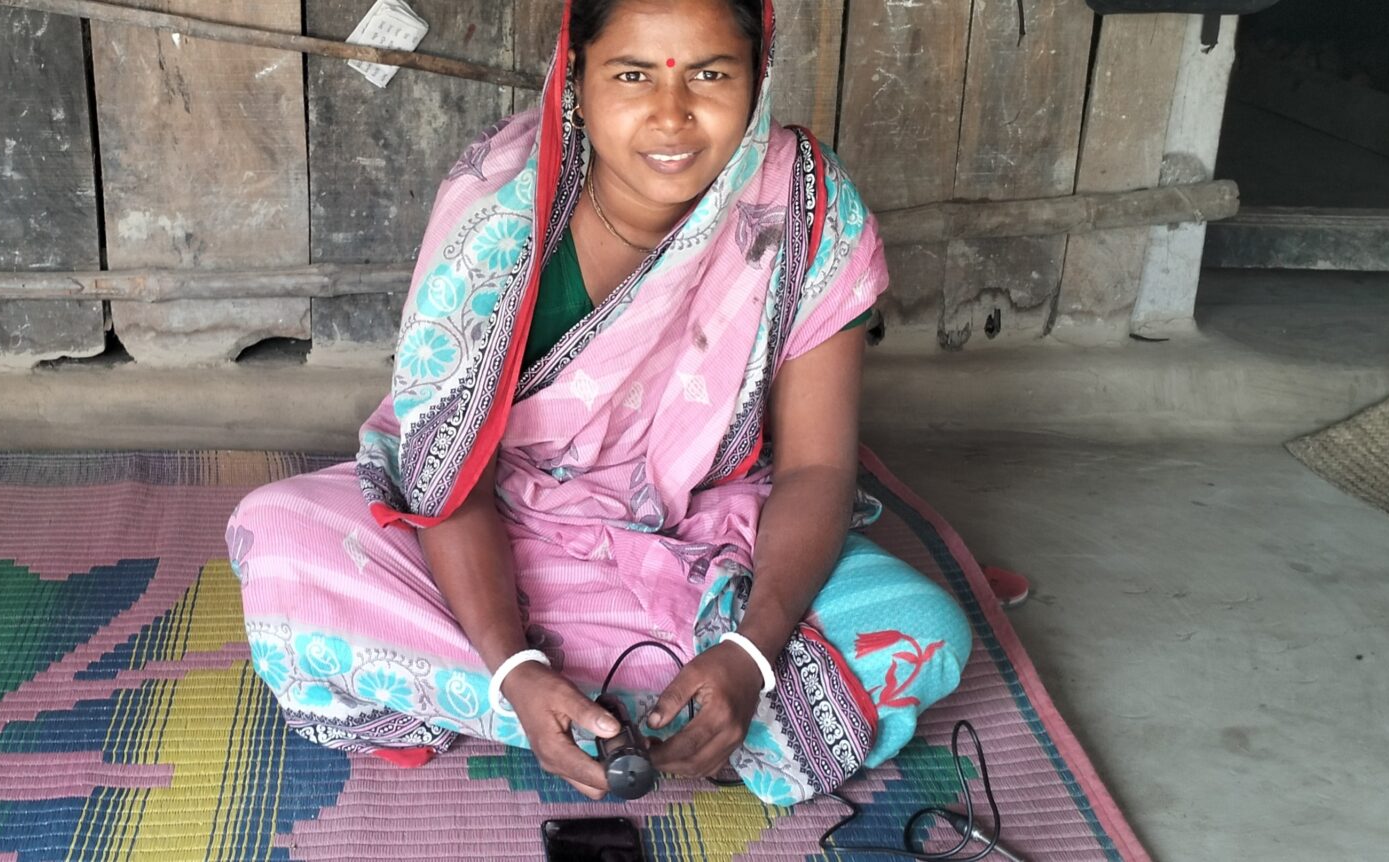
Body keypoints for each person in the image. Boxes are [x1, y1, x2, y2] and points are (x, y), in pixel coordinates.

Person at [225, 0, 972, 806]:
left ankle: (607, 707)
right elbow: (447, 480)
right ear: (575, 76)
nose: (671, 113)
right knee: (282, 539)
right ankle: (609, 709)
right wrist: (514, 666)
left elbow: (819, 467)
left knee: (921, 627)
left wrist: (752, 654)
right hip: (499, 529)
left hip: (702, 539)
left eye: (711, 74)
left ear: (760, 79)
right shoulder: (501, 212)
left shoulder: (807, 209)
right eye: (632, 73)